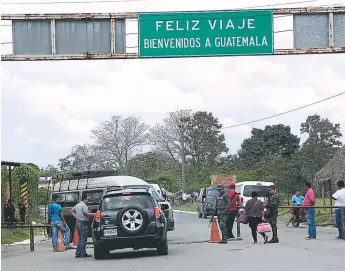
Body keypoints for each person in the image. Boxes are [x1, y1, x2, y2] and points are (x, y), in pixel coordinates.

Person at [70, 193, 96, 258]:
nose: (88, 201)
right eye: (88, 199)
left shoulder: (78, 205)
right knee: (83, 238)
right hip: (83, 223)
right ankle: (82, 253)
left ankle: (78, 253)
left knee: (80, 238)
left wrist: (76, 217)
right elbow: (86, 213)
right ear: (85, 199)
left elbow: (71, 211)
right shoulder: (84, 205)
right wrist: (95, 214)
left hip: (78, 222)